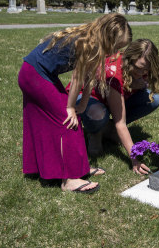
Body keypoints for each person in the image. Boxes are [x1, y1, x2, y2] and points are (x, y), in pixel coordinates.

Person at [18, 13, 132, 194]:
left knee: (72, 118)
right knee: (67, 120)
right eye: (116, 46)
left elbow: (88, 77)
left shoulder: (94, 42)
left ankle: (78, 169)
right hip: (33, 75)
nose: (116, 52)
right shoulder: (88, 43)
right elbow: (77, 77)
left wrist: (82, 104)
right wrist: (70, 107)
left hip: (41, 74)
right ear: (107, 37)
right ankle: (69, 180)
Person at [75, 39, 159, 175]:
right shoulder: (113, 72)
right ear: (128, 59)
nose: (142, 72)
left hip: (114, 98)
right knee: (97, 115)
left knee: (153, 99)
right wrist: (135, 160)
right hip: (88, 98)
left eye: (146, 69)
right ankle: (96, 132)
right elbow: (120, 123)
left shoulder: (144, 68)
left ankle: (107, 129)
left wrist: (133, 84)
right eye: (138, 68)